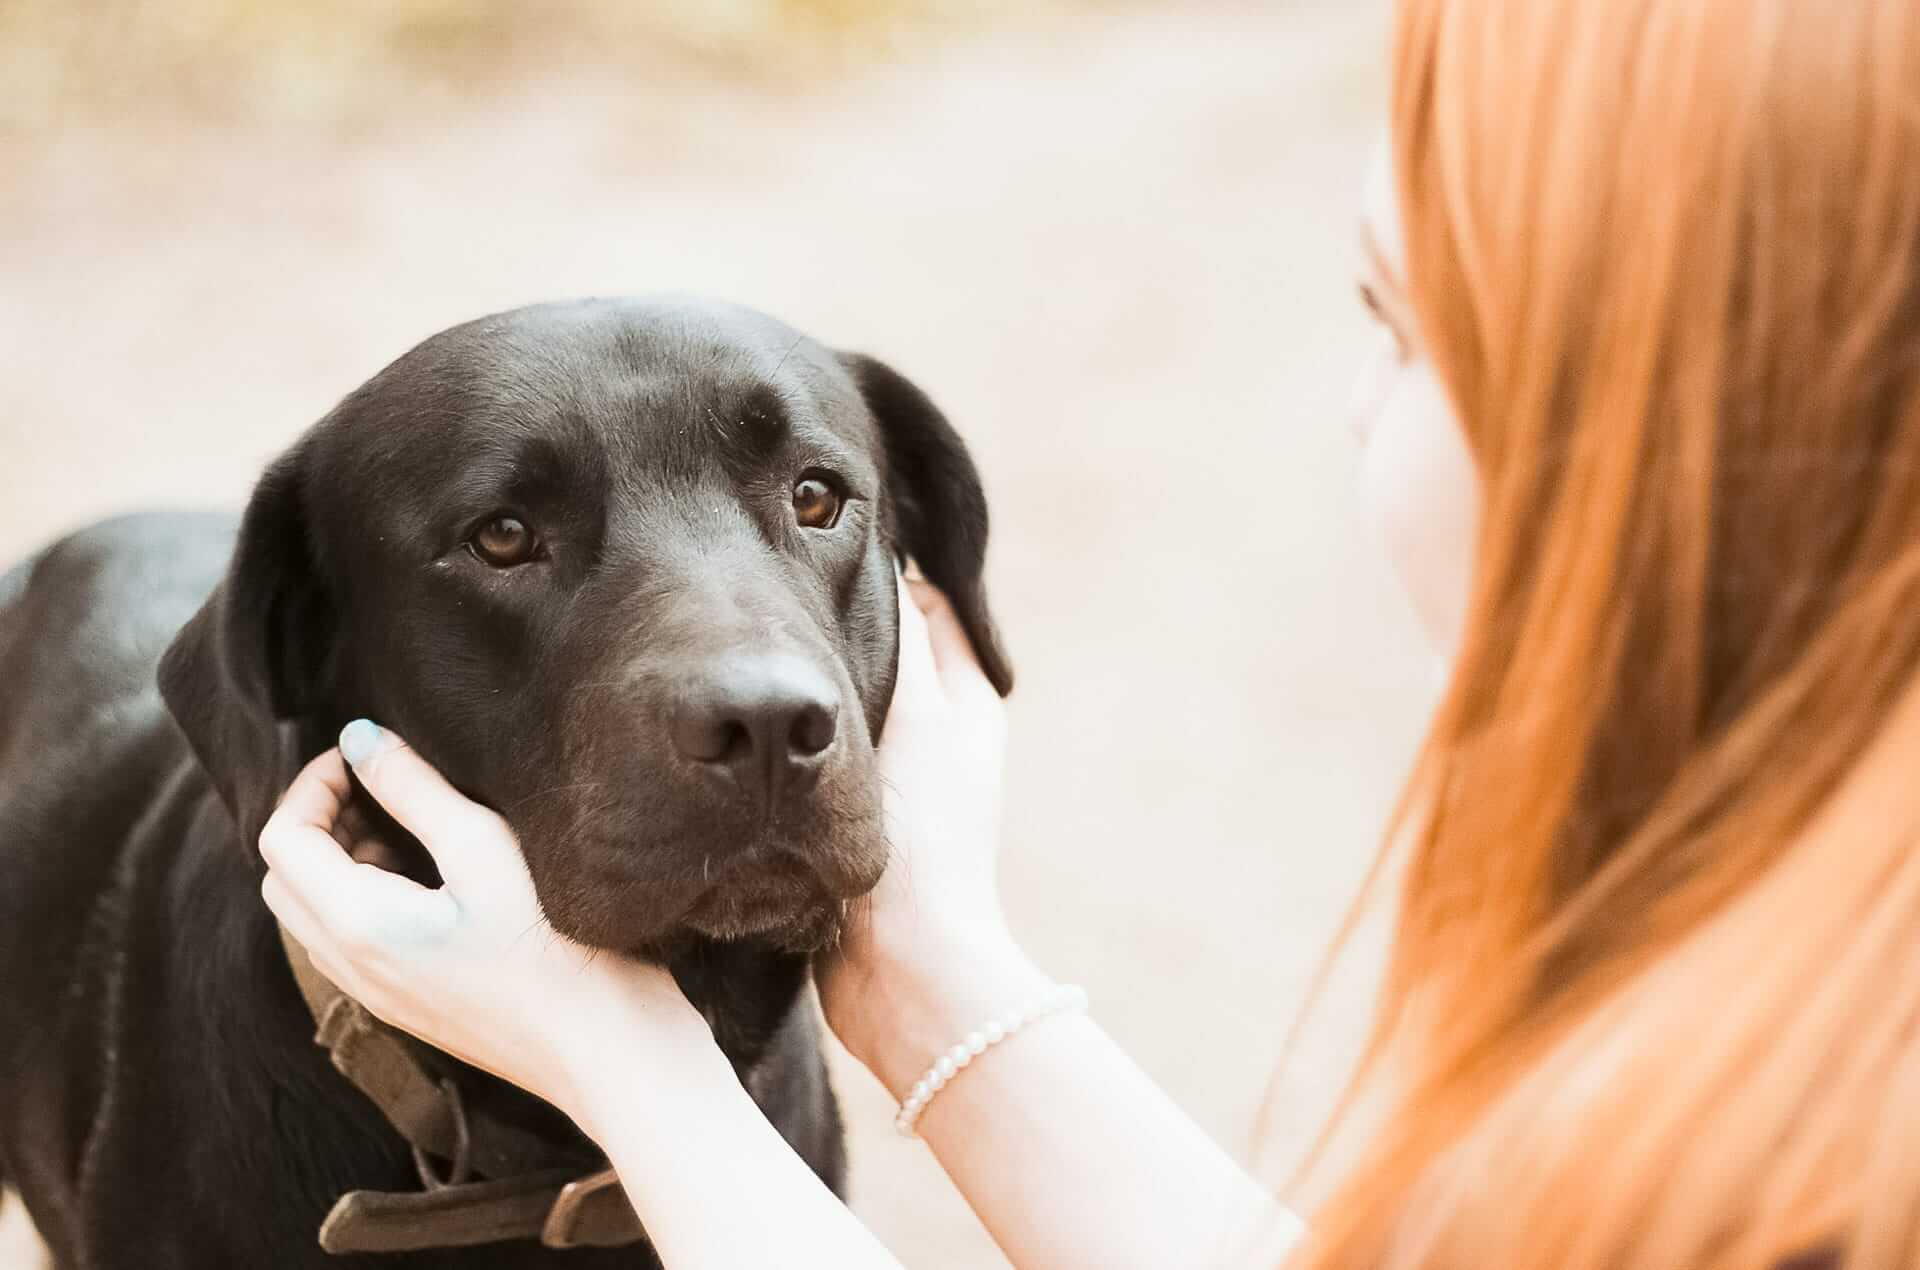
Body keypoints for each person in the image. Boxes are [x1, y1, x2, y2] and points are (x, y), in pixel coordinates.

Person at [259, 0, 1920, 1265]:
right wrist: (919, 953)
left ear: (1676, 400)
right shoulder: (1810, 986)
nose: (1359, 410)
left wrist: (635, 1074)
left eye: (1402, 326)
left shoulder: (1810, 1150)